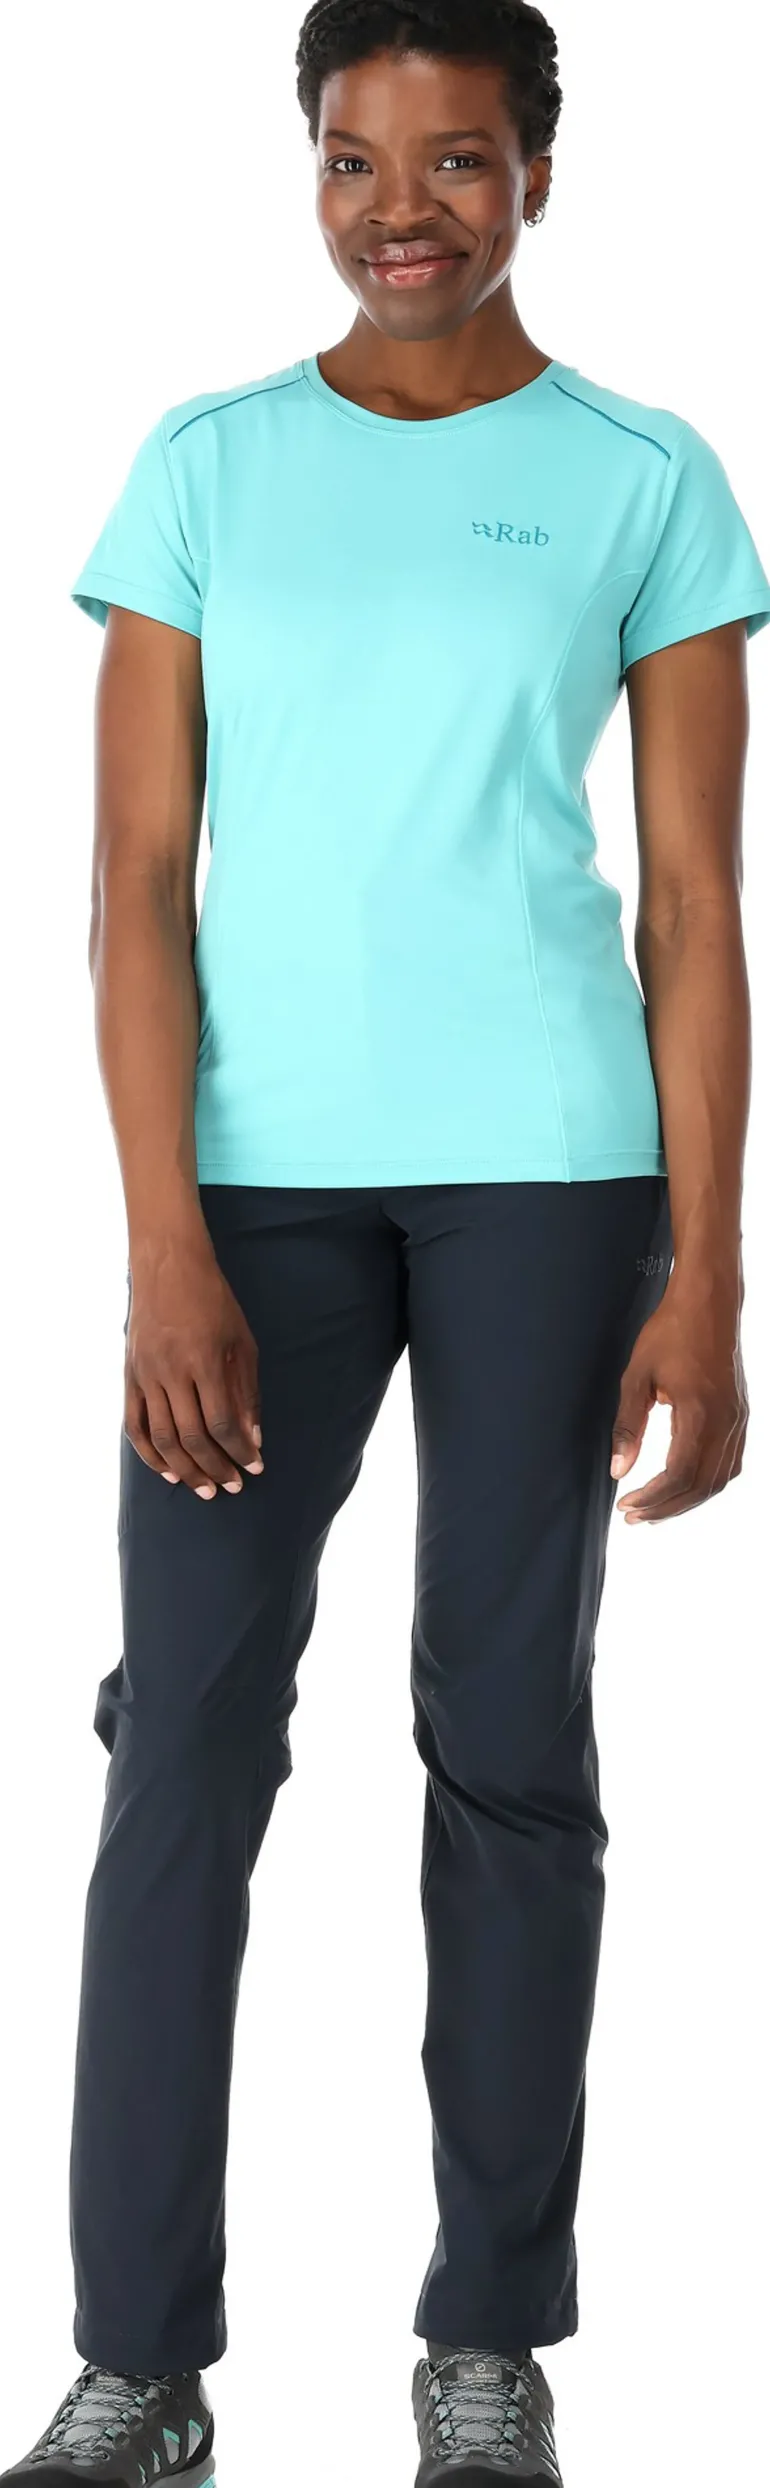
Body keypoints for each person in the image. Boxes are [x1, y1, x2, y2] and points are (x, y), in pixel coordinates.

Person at [5, 2, 769, 2483]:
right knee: (184, 1740)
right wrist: (163, 1244)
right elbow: (133, 883)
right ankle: (141, 2359)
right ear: (308, 171)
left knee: (511, 1737)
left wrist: (707, 1270)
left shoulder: (644, 476)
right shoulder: (206, 465)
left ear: (539, 170)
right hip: (250, 1203)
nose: (400, 210)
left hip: (553, 1181)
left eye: (455, 161)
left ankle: (487, 2341)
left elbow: (688, 907)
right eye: (354, 161)